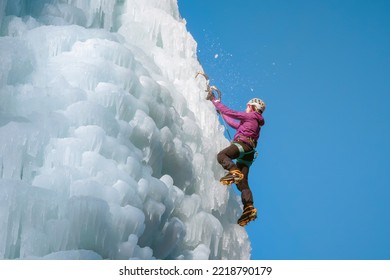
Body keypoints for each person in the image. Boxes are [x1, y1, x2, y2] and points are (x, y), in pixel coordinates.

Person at [207, 92, 266, 226]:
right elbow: (231, 121)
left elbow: (231, 112)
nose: (246, 108)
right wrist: (220, 112)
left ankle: (234, 172)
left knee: (222, 156)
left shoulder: (250, 115)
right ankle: (249, 208)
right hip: (249, 153)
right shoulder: (254, 121)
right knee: (243, 184)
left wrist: (214, 100)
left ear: (252, 107)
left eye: (247, 106)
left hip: (243, 145)